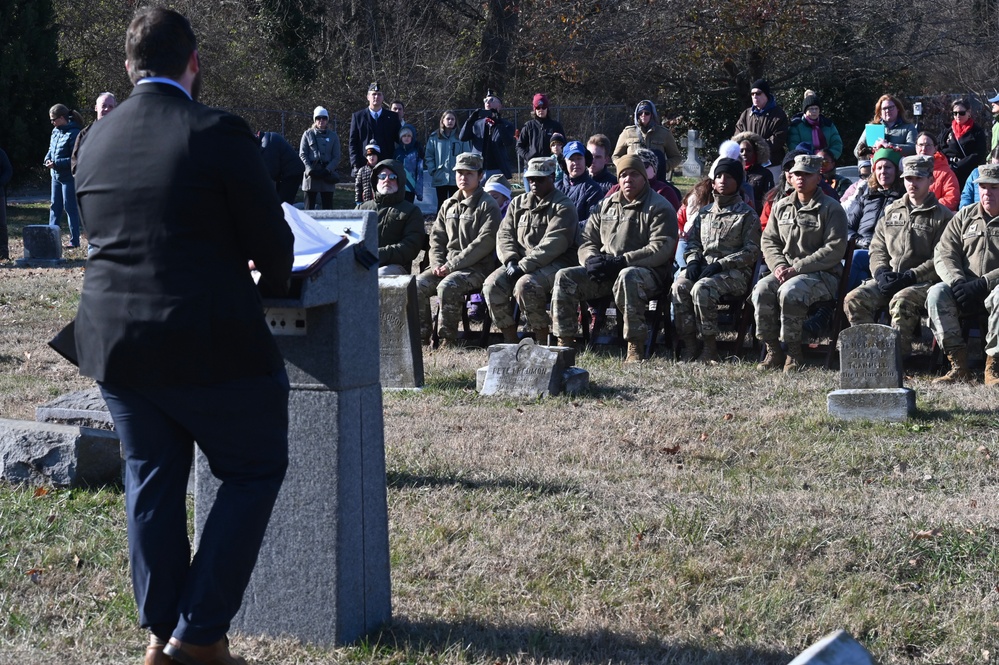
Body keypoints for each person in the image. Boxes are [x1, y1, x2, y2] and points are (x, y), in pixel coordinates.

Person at [71, 8, 294, 665]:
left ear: (128, 67)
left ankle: (161, 633)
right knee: (254, 467)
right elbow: (272, 246)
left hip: (115, 343)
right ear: (193, 63)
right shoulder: (218, 130)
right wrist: (267, 275)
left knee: (152, 478)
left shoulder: (94, 140)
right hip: (209, 342)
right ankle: (197, 636)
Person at [551, 154, 677, 363]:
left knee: (628, 276)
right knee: (565, 277)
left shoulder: (659, 207)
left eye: (634, 174)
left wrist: (623, 261)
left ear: (644, 178)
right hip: (607, 270)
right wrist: (590, 260)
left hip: (648, 273)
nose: (628, 179)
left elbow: (660, 248)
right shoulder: (606, 205)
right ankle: (565, 342)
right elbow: (586, 238)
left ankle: (635, 346)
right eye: (624, 175)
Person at [843, 155, 952, 357]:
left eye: (919, 178)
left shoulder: (943, 216)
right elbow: (877, 246)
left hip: (922, 282)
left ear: (930, 180)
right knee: (854, 299)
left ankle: (897, 360)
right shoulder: (892, 211)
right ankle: (870, 353)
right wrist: (881, 271)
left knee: (902, 301)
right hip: (890, 276)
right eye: (909, 178)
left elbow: (942, 256)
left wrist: (911, 276)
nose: (913, 183)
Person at [752, 154, 847, 372]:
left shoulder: (831, 208)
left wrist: (798, 269)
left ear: (818, 177)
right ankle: (773, 350)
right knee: (761, 290)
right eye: (796, 174)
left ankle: (794, 352)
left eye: (806, 174)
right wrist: (777, 266)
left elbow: (834, 249)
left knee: (790, 292)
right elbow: (769, 240)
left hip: (822, 274)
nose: (800, 178)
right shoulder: (781, 206)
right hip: (784, 271)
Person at [671, 157, 761, 363]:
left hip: (735, 273)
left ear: (738, 182)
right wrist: (693, 261)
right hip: (704, 269)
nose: (722, 180)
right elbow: (693, 243)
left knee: (702, 288)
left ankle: (709, 347)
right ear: (712, 182)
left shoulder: (747, 215)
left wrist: (722, 264)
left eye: (728, 177)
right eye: (719, 176)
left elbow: (752, 251)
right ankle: (690, 344)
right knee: (680, 287)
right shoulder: (704, 213)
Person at [483, 157, 578, 343]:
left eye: (540, 179)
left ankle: (541, 338)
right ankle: (510, 339)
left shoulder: (563, 206)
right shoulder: (518, 204)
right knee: (491, 285)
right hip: (519, 261)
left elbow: (554, 243)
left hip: (556, 262)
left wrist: (523, 266)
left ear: (552, 177)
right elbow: (504, 234)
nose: (534, 183)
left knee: (526, 286)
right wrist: (510, 259)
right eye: (531, 179)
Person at [416, 152, 501, 347]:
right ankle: (422, 337)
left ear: (480, 176)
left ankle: (448, 339)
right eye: (459, 173)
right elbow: (436, 238)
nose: (463, 177)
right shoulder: (448, 204)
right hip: (446, 266)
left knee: (448, 286)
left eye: (469, 173)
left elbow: (484, 243)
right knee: (417, 285)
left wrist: (451, 266)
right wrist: (437, 263)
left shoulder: (488, 205)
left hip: (477, 269)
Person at [927, 162, 999, 384]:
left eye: (994, 187)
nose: (987, 192)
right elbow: (944, 251)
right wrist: (957, 282)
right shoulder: (965, 216)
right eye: (983, 187)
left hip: (993, 288)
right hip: (964, 287)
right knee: (936, 293)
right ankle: (958, 365)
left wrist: (985, 283)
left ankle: (993, 366)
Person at [844, 147, 905, 290]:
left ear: (897, 171)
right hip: (860, 246)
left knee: (856, 258)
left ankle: (832, 305)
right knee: (859, 277)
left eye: (888, 167)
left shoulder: (903, 198)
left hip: (884, 253)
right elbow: (846, 226)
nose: (883, 171)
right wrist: (859, 240)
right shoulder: (867, 195)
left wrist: (875, 245)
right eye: (879, 168)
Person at [360, 159, 424, 276]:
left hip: (395, 267)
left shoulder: (411, 211)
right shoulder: (362, 209)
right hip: (362, 263)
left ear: (400, 181)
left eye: (393, 177)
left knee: (379, 274)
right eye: (382, 176)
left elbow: (411, 247)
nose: (387, 180)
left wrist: (378, 254)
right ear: (375, 180)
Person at [44, 103, 84, 248]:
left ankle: (75, 241)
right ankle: (50, 238)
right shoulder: (55, 131)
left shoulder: (74, 133)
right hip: (55, 176)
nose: (52, 123)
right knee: (55, 207)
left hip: (68, 178)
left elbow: (76, 158)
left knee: (70, 208)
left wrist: (56, 163)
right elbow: (50, 149)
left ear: (62, 118)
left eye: (53, 119)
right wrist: (47, 159)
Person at [613, 100, 682, 180]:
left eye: (647, 113)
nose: (643, 115)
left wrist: (662, 167)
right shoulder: (628, 132)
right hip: (634, 178)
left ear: (652, 114)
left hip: (656, 179)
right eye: (640, 113)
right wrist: (625, 167)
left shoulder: (664, 133)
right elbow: (616, 156)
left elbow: (676, 157)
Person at [459, 89, 516, 178]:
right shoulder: (477, 124)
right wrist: (471, 120)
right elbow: (462, 137)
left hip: (497, 168)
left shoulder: (506, 125)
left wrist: (498, 123)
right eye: (485, 100)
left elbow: (508, 142)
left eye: (492, 100)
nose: (488, 102)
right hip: (478, 169)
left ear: (499, 105)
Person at [734, 79, 789, 169]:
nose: (755, 96)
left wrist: (755, 148)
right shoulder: (746, 114)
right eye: (752, 94)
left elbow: (779, 139)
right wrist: (748, 150)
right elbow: (738, 136)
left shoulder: (778, 114)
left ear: (766, 94)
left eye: (758, 93)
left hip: (772, 164)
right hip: (748, 165)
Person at [348, 82, 401, 173]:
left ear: (383, 97)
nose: (376, 97)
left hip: (387, 166)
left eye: (379, 94)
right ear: (368, 97)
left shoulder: (392, 117)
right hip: (364, 166)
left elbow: (400, 139)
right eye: (374, 94)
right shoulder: (358, 117)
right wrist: (355, 164)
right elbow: (353, 143)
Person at [517, 93, 564, 189]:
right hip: (531, 168)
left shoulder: (555, 126)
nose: (541, 110)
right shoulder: (528, 126)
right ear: (534, 109)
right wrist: (528, 156)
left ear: (547, 108)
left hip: (550, 169)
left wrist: (557, 154)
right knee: (531, 199)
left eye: (543, 107)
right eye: (538, 108)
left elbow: (564, 145)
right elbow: (519, 146)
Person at [606, 148, 681, 210]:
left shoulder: (664, 192)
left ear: (654, 170)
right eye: (634, 167)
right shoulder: (616, 189)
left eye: (645, 166)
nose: (640, 169)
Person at [938, 98, 988, 188]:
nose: (958, 116)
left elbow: (979, 154)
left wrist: (958, 166)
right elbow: (939, 148)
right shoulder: (948, 131)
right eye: (955, 113)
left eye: (961, 113)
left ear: (968, 112)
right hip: (948, 171)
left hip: (968, 172)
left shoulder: (976, 131)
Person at [299, 106, 341, 210]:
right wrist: (309, 170)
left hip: (327, 175)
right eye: (318, 118)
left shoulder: (333, 136)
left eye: (324, 118)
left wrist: (327, 170)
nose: (321, 121)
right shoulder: (307, 134)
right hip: (311, 176)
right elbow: (302, 154)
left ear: (327, 120)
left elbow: (336, 156)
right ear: (315, 120)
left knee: (328, 209)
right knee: (309, 210)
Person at [425, 110, 469, 209]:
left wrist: (463, 172)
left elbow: (466, 155)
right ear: (443, 121)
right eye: (448, 119)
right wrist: (433, 170)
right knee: (442, 205)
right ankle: (441, 224)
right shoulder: (435, 137)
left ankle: (456, 224)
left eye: (452, 119)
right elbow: (429, 155)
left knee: (456, 205)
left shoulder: (461, 137)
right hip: (440, 176)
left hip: (456, 177)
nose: (450, 121)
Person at [853, 94, 916, 160]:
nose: (887, 111)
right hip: (875, 167)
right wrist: (872, 150)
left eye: (891, 107)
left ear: (898, 108)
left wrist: (890, 146)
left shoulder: (909, 127)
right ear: (880, 112)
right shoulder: (872, 128)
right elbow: (857, 151)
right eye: (884, 108)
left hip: (900, 167)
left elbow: (913, 149)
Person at [556, 140, 604, 227]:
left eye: (579, 158)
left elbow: (592, 221)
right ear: (564, 162)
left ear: (586, 160)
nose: (576, 163)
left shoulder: (593, 189)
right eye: (571, 159)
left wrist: (566, 228)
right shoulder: (555, 188)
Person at [786, 91, 844, 160]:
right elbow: (793, 146)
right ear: (805, 110)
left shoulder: (828, 125)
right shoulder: (796, 125)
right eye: (811, 109)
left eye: (816, 108)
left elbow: (837, 144)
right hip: (805, 163)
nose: (814, 111)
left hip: (826, 162)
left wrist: (828, 157)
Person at [71, 92, 116, 176]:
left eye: (110, 106)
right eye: (103, 106)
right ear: (96, 108)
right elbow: (75, 162)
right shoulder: (84, 134)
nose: (107, 109)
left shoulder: (122, 132)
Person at [912, 131, 959, 211]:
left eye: (928, 145)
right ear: (916, 147)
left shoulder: (946, 173)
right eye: (921, 145)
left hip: (934, 214)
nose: (924, 149)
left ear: (935, 148)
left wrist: (929, 207)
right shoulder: (908, 169)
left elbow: (951, 198)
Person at [257, 129, 305, 204]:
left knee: (284, 202)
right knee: (279, 200)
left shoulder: (267, 146)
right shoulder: (268, 139)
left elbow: (272, 171)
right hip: (286, 173)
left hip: (293, 173)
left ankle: (285, 215)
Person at [733, 130, 775, 214]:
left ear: (756, 153)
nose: (744, 153)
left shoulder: (765, 174)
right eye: (741, 151)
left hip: (757, 215)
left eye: (748, 150)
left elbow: (769, 199)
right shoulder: (732, 172)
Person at [960, 144, 999, 208]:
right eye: (994, 164)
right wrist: (965, 211)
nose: (995, 169)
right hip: (976, 214)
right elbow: (966, 196)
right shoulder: (976, 174)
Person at [395, 126, 424, 203]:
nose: (406, 138)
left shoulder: (416, 152)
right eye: (404, 136)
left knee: (409, 207)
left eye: (409, 136)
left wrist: (419, 191)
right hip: (399, 186)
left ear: (412, 137)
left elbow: (419, 172)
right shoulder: (397, 152)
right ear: (400, 138)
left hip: (411, 186)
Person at [0, 146, 11, 260]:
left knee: (1, 225)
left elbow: (8, 170)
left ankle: (3, 253)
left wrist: (1, 182)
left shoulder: (1, 153)